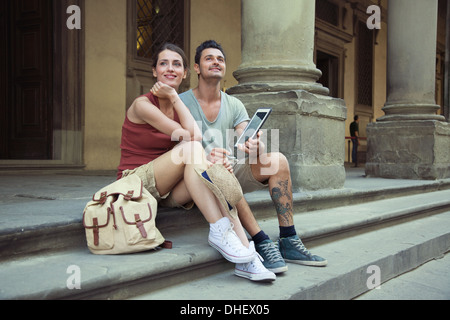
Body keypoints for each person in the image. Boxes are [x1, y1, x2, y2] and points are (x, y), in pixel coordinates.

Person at [117, 43, 274, 281]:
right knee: (193, 150)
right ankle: (220, 230)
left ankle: (247, 256)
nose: (170, 69)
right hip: (136, 184)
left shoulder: (178, 105)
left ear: (185, 73)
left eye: (176, 64)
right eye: (163, 64)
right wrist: (171, 95)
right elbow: (192, 138)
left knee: (217, 173)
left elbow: (194, 138)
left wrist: (174, 99)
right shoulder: (143, 104)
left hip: (165, 188)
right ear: (154, 71)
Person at [180, 40, 328, 276]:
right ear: (197, 67)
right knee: (222, 173)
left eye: (220, 59)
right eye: (209, 58)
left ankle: (288, 239)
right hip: (197, 174)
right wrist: (208, 156)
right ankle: (260, 240)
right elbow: (177, 146)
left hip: (229, 166)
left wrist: (255, 146)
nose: (216, 62)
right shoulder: (182, 102)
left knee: (277, 160)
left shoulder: (234, 104)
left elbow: (244, 136)